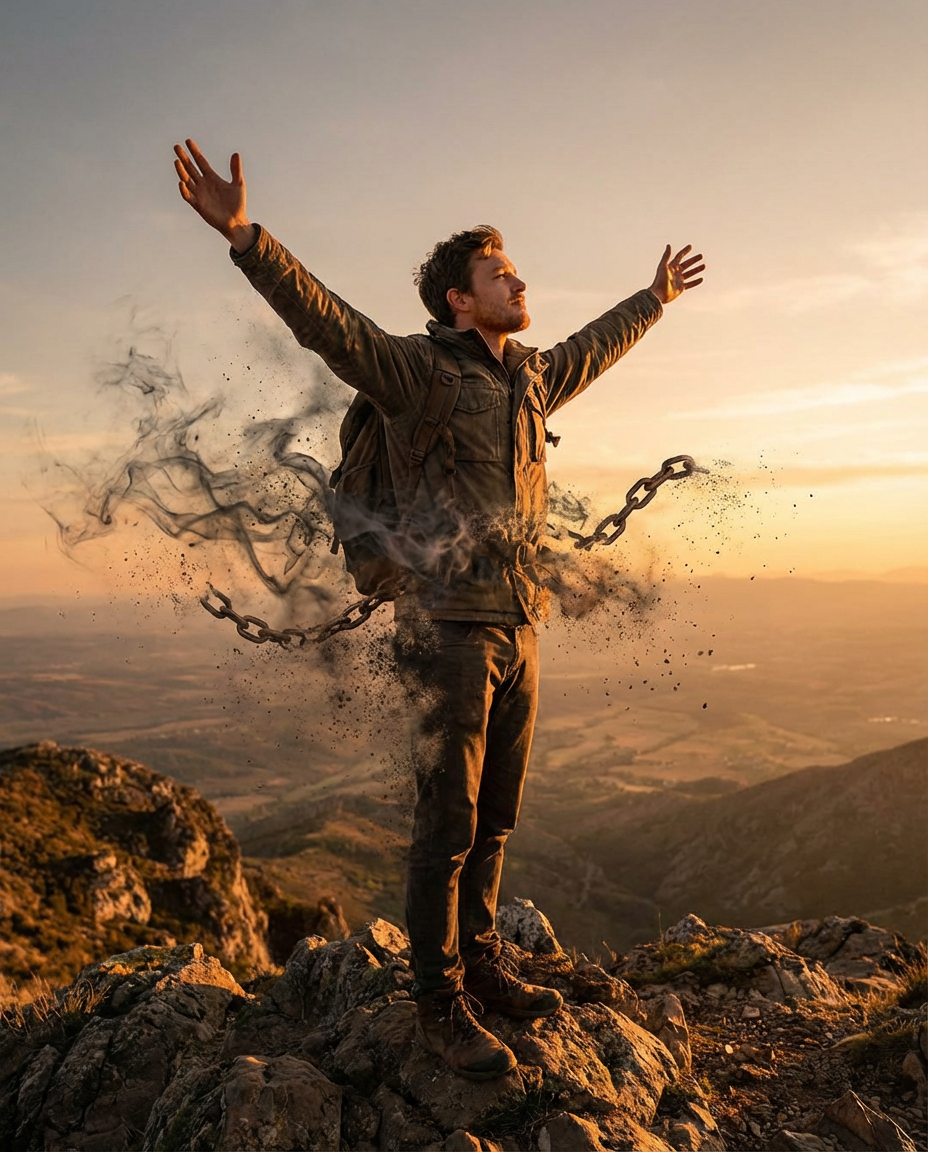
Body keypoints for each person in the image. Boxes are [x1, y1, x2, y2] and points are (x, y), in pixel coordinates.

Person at [173, 139, 705, 1081]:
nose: (518, 279)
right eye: (499, 271)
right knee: (446, 827)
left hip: (519, 624)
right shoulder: (417, 374)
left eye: (512, 268)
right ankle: (438, 1003)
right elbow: (327, 324)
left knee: (496, 818)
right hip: (445, 629)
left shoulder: (529, 378)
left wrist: (654, 301)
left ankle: (487, 966)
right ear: (459, 298)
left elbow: (593, 346)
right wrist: (247, 236)